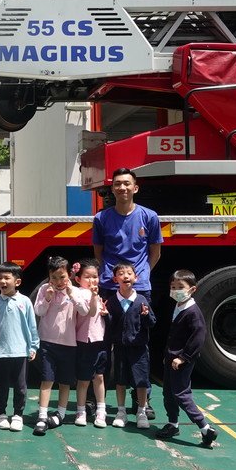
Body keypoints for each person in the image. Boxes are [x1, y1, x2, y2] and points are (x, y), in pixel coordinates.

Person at [93, 167, 162, 419]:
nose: (122, 188)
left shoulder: (149, 217)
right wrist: (112, 277)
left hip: (139, 289)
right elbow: (99, 252)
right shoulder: (101, 218)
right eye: (117, 184)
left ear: (135, 187)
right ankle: (98, 400)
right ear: (112, 189)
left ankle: (142, 399)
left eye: (126, 183)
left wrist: (140, 276)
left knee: (139, 345)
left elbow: (155, 252)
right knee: (103, 343)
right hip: (109, 289)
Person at [156, 270, 219, 447]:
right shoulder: (178, 306)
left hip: (181, 361)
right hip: (171, 358)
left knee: (181, 394)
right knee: (168, 392)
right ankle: (172, 423)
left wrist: (183, 357)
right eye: (173, 287)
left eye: (180, 287)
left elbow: (198, 337)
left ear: (192, 289)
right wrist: (168, 356)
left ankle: (205, 428)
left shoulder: (192, 312)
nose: (176, 290)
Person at [33, 256, 88, 436]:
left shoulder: (75, 291)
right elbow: (38, 311)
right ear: (49, 276)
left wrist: (72, 295)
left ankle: (60, 414)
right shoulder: (44, 290)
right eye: (54, 277)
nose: (58, 282)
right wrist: (47, 299)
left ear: (69, 275)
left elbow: (84, 311)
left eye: (62, 277)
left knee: (65, 382)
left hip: (68, 344)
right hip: (47, 342)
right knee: (47, 380)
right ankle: (42, 416)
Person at [103, 260, 156, 430]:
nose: (125, 276)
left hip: (139, 349)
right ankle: (121, 412)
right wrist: (105, 315)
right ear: (115, 279)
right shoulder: (112, 301)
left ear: (136, 277)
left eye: (129, 273)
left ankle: (141, 411)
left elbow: (152, 322)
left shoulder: (141, 300)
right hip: (120, 348)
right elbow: (110, 325)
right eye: (121, 274)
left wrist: (146, 316)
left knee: (141, 381)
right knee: (120, 381)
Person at [0, 262, 39, 432]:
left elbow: (32, 326)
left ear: (17, 282)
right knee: (1, 386)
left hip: (20, 351)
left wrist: (33, 346)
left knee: (20, 386)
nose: (2, 281)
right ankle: (1, 414)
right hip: (2, 352)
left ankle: (18, 415)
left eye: (6, 278)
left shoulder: (25, 301)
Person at [72, 259, 108, 428]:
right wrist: (94, 296)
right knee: (83, 379)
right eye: (87, 277)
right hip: (84, 341)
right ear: (78, 279)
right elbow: (90, 312)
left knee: (99, 377)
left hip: (99, 340)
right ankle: (81, 410)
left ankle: (101, 410)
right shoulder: (79, 293)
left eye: (95, 276)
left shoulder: (97, 295)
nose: (92, 280)